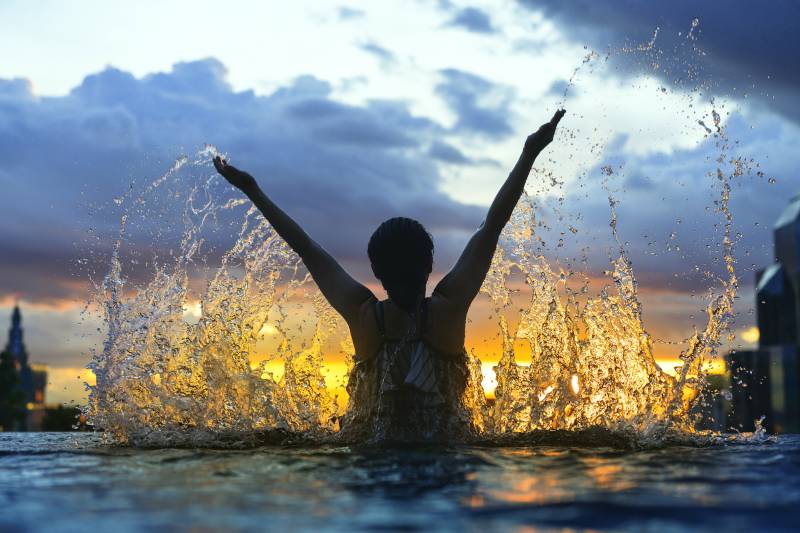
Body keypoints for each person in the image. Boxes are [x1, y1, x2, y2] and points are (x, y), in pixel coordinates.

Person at [213, 109, 566, 442]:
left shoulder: (365, 316)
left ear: (376, 273)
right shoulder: (446, 309)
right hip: (446, 453)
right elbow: (492, 226)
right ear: (430, 265)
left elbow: (306, 248)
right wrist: (529, 153)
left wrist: (252, 190)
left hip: (371, 458)